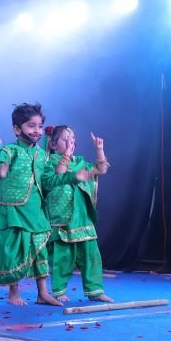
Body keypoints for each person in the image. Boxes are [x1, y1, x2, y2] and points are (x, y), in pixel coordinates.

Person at [0, 103, 86, 306]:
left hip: (35, 208)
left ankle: (42, 293)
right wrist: (1, 170)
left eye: (39, 126)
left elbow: (48, 181)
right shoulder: (10, 150)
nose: (37, 131)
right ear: (17, 129)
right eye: (31, 126)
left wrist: (72, 177)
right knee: (14, 248)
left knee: (40, 248)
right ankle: (14, 292)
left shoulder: (41, 155)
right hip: (13, 209)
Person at [43, 125, 113, 302]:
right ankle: (59, 291)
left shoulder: (80, 163)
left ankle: (95, 291)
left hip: (82, 217)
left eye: (73, 139)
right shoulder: (49, 163)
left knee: (91, 254)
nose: (70, 143)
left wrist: (99, 149)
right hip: (62, 217)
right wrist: (66, 155)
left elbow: (101, 170)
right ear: (53, 144)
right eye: (65, 139)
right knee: (62, 256)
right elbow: (59, 173)